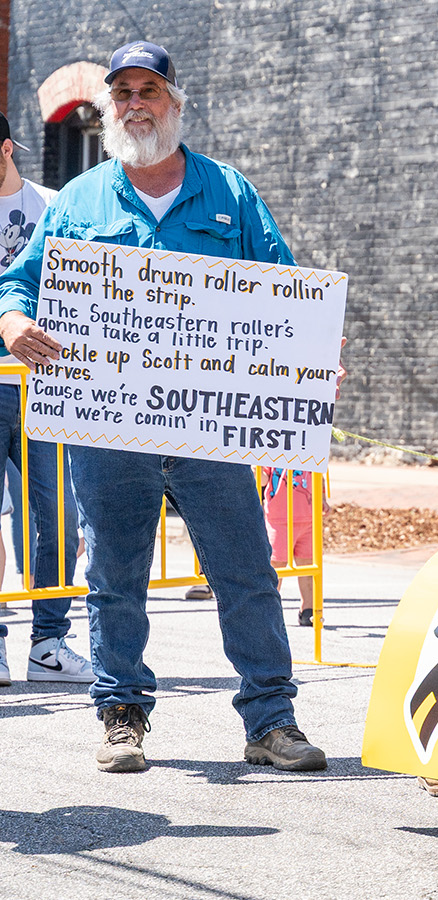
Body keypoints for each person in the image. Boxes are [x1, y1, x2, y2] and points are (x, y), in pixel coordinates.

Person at [0, 41, 332, 772]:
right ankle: (122, 717)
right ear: (107, 109)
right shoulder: (79, 199)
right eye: (121, 94)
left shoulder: (229, 193)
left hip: (209, 428)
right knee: (114, 577)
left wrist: (310, 357)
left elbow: (283, 288)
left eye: (148, 91)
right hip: (108, 427)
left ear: (175, 104)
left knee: (245, 571)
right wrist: (13, 322)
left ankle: (271, 721)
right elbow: (18, 284)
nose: (134, 105)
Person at [0, 111, 89, 687]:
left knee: (58, 518)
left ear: (6, 148)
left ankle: (49, 645)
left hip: (46, 388)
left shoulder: (53, 205)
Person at [261, 468, 324, 627]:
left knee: (308, 564)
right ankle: (269, 608)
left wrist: (322, 499)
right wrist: (253, 469)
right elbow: (263, 478)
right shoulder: (272, 453)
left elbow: (319, 475)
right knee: (276, 564)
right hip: (278, 518)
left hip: (308, 517)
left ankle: (308, 608)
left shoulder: (310, 451)